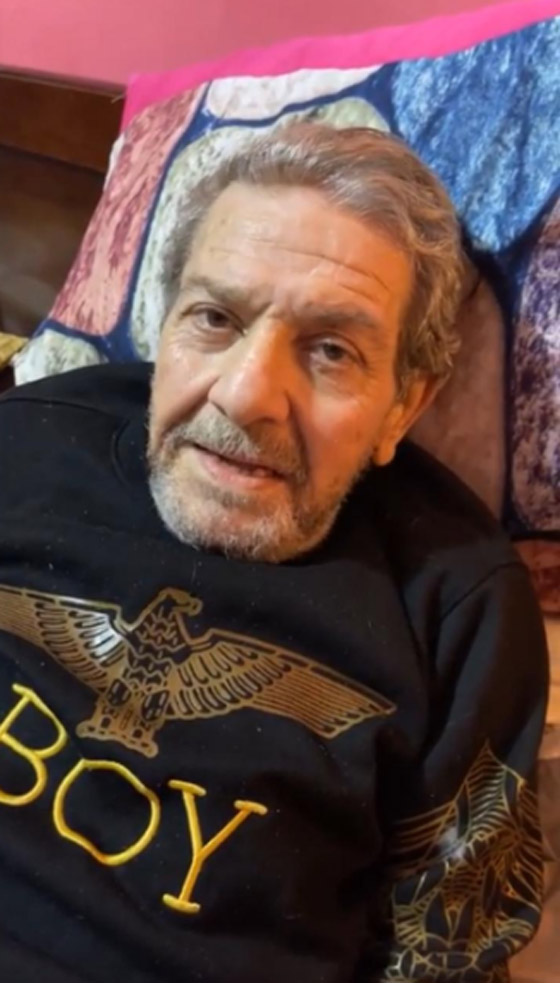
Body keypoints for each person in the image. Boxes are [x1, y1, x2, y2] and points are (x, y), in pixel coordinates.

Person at [0, 123, 548, 983]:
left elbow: (448, 948)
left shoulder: (458, 607)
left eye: (331, 350)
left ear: (405, 404)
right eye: (215, 318)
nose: (247, 392)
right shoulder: (30, 435)